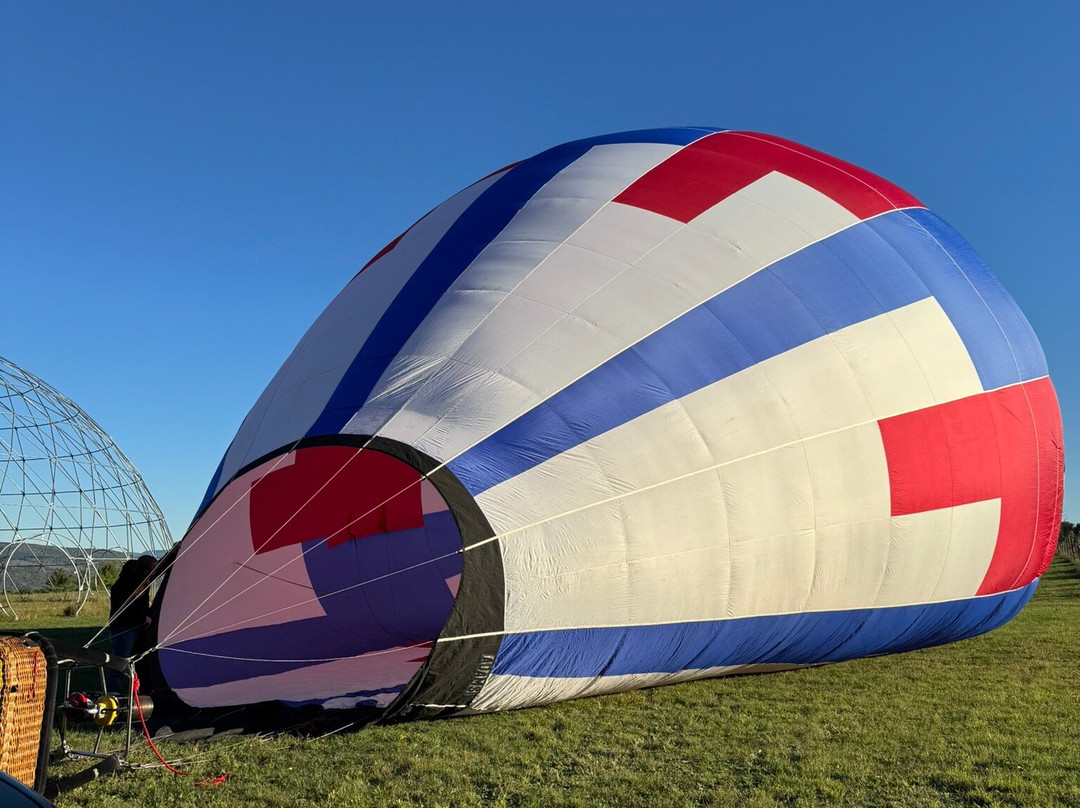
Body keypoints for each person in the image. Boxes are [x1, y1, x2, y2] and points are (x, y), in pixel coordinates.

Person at [107, 556, 155, 692]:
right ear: (145, 571)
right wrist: (143, 618)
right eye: (152, 571)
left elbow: (161, 567)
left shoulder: (141, 579)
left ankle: (137, 690)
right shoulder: (125, 585)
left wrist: (173, 553)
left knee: (138, 661)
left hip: (136, 627)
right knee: (121, 661)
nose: (154, 574)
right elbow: (127, 608)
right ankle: (113, 692)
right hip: (124, 628)